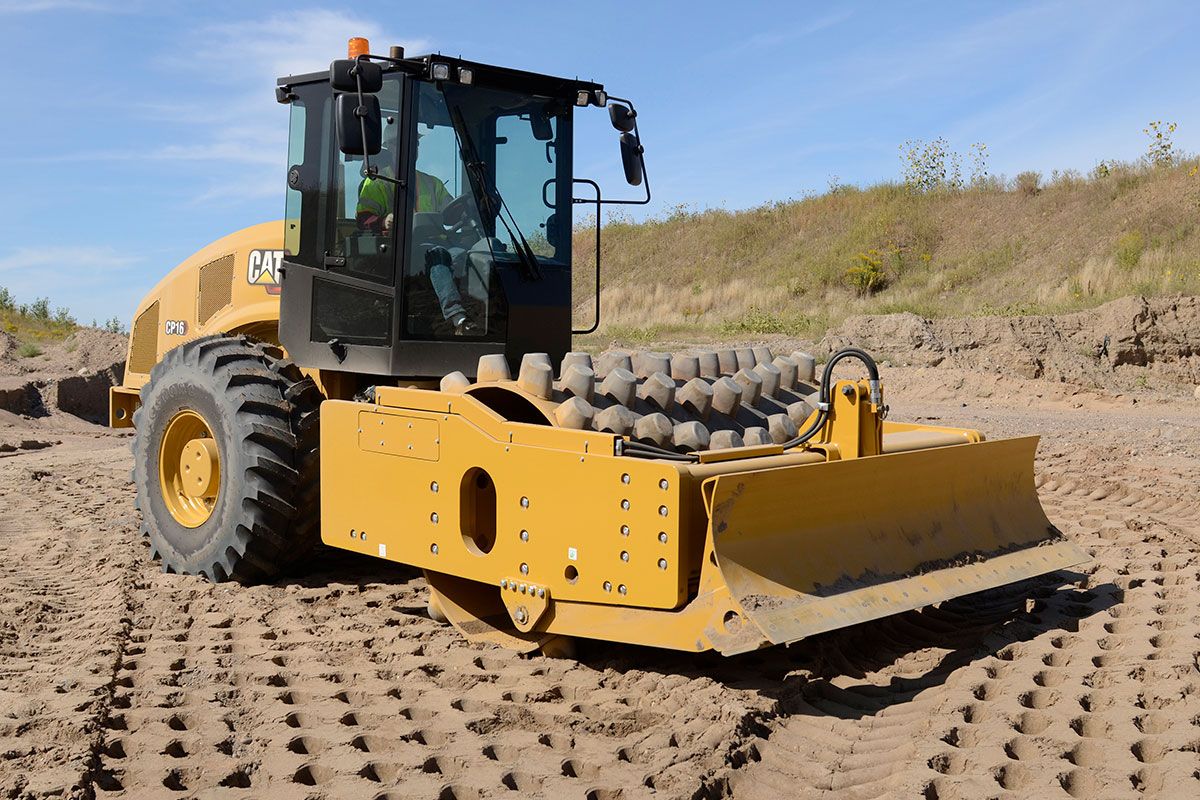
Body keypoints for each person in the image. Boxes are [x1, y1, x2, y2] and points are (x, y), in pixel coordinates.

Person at [355, 146, 474, 334]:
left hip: (439, 243)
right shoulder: (377, 182)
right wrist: (384, 221)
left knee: (466, 256)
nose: (413, 149)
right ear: (392, 147)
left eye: (416, 145)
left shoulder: (432, 182)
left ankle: (480, 314)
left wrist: (468, 208)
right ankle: (457, 317)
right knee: (438, 254)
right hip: (401, 249)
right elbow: (363, 219)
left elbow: (450, 213)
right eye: (403, 143)